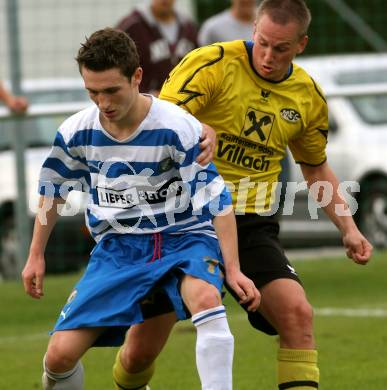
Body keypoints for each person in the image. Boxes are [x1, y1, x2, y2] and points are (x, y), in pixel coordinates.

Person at [120, 0, 372, 389]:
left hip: (251, 225)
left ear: (301, 44)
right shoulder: (212, 64)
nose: (269, 56)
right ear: (253, 29)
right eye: (263, 43)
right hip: (185, 221)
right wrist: (200, 126)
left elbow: (315, 166)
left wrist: (348, 227)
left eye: (281, 48)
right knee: (138, 354)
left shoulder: (306, 96)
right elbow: (158, 123)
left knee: (297, 316)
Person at [21, 27, 259, 390]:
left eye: (112, 90)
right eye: (93, 93)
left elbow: (217, 200)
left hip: (183, 238)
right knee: (59, 357)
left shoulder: (176, 126)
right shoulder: (75, 132)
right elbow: (52, 192)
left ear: (137, 77)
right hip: (119, 250)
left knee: (207, 299)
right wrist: (35, 254)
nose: (103, 103)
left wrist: (235, 269)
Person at [116, 0, 198, 96]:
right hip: (144, 104)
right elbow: (116, 67)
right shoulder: (132, 26)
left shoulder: (188, 27)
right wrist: (144, 93)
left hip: (182, 102)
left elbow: (198, 65)